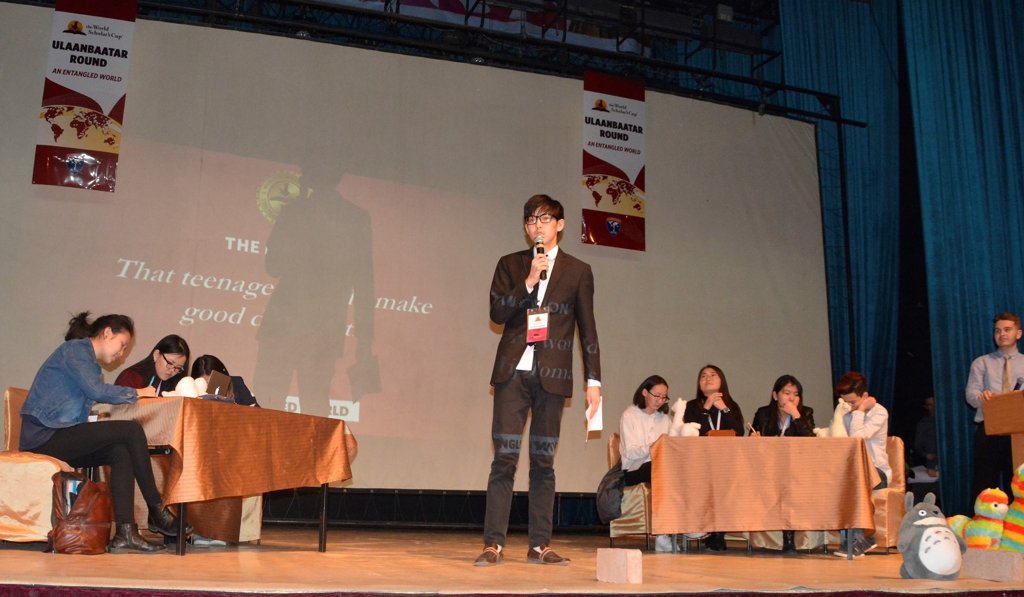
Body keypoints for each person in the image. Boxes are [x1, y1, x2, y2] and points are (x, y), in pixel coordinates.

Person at [475, 194, 601, 567]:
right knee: (504, 458)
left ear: (560, 225)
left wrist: (594, 381)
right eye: (531, 220)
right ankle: (493, 544)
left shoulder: (578, 271)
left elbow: (588, 328)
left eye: (545, 219)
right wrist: (528, 281)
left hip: (552, 376)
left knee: (543, 462)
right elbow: (497, 313)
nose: (537, 226)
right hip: (512, 374)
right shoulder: (511, 264)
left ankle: (539, 545)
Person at [19, 312, 191, 553]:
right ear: (107, 333)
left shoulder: (88, 363)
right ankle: (156, 508)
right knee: (131, 430)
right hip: (44, 436)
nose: (122, 354)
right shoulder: (75, 351)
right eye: (122, 345)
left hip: (60, 434)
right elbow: (97, 390)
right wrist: (137, 392)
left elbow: (90, 397)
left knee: (120, 452)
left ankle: (125, 532)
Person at [748, 374, 816, 554]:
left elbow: (811, 441)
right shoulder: (763, 413)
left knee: (788, 486)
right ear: (775, 395)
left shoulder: (806, 413)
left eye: (796, 394)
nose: (791, 398)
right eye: (787, 393)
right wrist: (754, 439)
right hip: (767, 467)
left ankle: (789, 538)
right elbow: (751, 443)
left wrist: (796, 416)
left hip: (795, 469)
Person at [683, 364, 744, 551]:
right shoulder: (691, 406)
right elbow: (693, 432)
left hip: (726, 460)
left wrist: (724, 408)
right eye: (703, 376)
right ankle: (709, 531)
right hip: (700, 459)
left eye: (713, 375)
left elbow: (739, 432)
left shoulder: (731, 405)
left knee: (725, 480)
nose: (708, 378)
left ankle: (718, 533)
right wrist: (706, 408)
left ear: (721, 381)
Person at [966, 311, 1024, 497]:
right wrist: (982, 397)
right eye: (997, 331)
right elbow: (970, 396)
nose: (1002, 334)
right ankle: (981, 516)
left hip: (1019, 432)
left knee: (1018, 485)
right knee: (984, 485)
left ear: (1018, 333)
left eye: (1007, 329)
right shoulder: (981, 362)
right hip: (989, 430)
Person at [834, 371, 889, 557]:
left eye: (853, 402)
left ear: (865, 396)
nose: (848, 407)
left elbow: (857, 439)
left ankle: (858, 541)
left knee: (855, 483)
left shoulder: (879, 412)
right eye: (845, 402)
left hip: (878, 472)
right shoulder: (846, 414)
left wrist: (860, 411)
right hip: (854, 471)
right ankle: (852, 540)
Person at [618, 375, 673, 552]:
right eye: (656, 395)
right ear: (644, 392)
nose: (660, 400)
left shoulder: (665, 419)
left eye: (664, 397)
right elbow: (630, 452)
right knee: (660, 471)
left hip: (659, 466)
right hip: (634, 468)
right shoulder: (629, 415)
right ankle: (662, 533)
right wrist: (654, 446)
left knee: (675, 472)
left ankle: (684, 527)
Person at [114, 334, 191, 396]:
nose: (172, 370)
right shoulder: (131, 377)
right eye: (170, 363)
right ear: (156, 355)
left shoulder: (173, 384)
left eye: (178, 367)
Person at [191, 354, 260, 407]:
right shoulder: (191, 392)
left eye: (213, 384)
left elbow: (257, 412)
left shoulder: (236, 384)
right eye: (205, 385)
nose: (209, 391)